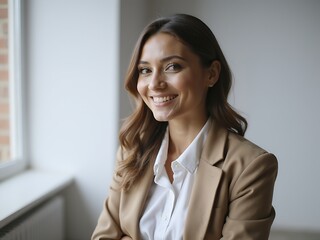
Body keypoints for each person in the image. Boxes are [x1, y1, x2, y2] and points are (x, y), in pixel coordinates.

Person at [92, 13, 278, 240]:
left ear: (211, 74)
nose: (154, 84)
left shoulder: (251, 167)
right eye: (145, 70)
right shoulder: (131, 150)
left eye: (172, 66)